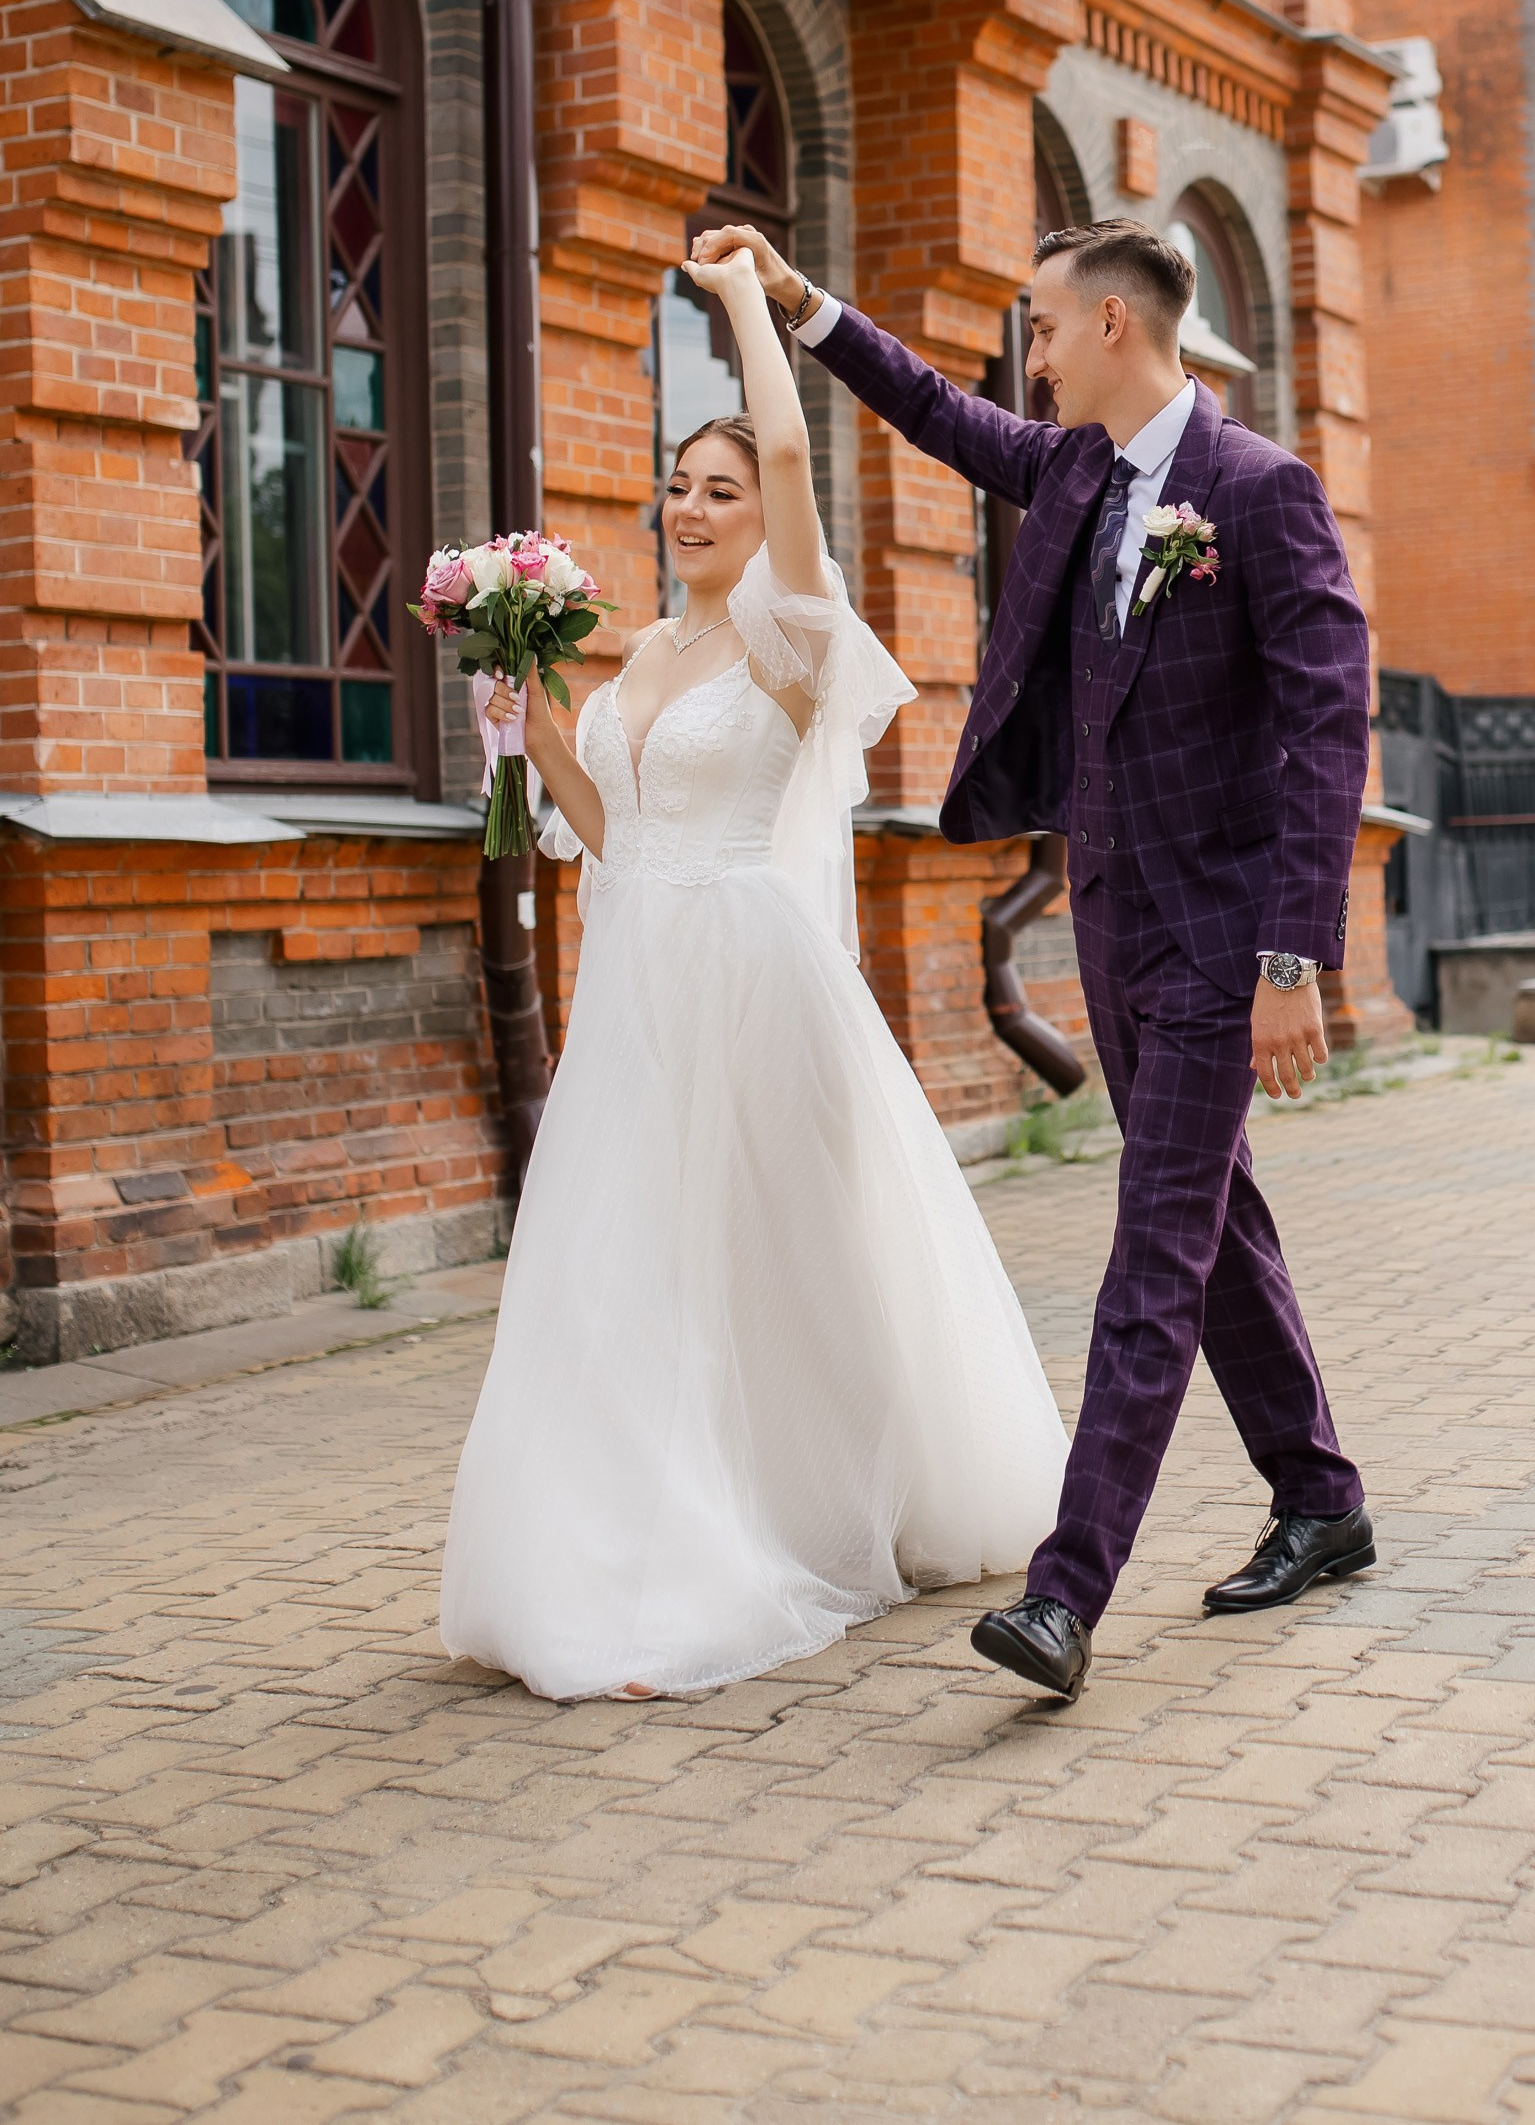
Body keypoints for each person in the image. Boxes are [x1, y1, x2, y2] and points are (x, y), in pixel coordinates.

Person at [691, 217, 1375, 1705]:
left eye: (1046, 328)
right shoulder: (1077, 472)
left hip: (1223, 938)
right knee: (1212, 1221)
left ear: (1115, 325)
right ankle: (1322, 1498)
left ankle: (1068, 1595)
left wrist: (1291, 960)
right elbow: (936, 412)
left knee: (1155, 1250)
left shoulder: (1260, 490)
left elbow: (1330, 732)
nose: (1034, 355)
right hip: (1115, 919)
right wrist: (802, 305)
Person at [439, 246, 1068, 1702]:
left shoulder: (790, 635)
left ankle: (804, 1510)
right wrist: (532, 728)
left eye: (720, 491)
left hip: (749, 976)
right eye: (679, 487)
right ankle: (625, 1544)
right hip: (634, 982)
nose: (694, 507)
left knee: (775, 1261)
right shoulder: (645, 650)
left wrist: (744, 302)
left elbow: (789, 443)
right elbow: (613, 836)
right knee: (629, 1261)